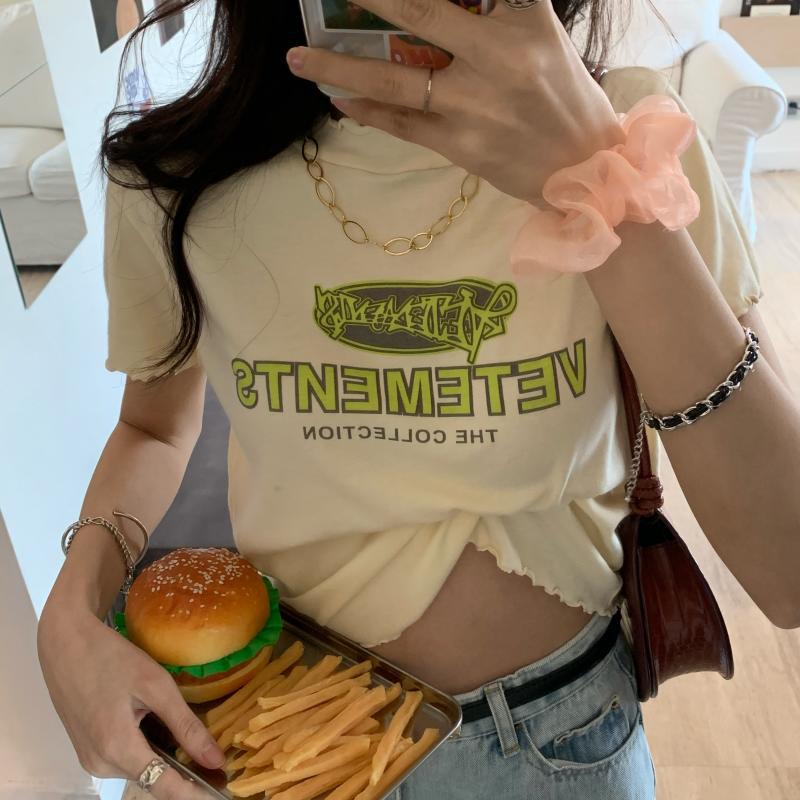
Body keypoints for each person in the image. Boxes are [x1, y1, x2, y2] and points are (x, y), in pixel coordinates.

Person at [37, 0, 792, 798]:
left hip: (559, 740)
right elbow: (153, 429)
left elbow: (789, 572)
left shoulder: (636, 131)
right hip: (289, 733)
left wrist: (599, 178)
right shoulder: (180, 174)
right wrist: (72, 609)